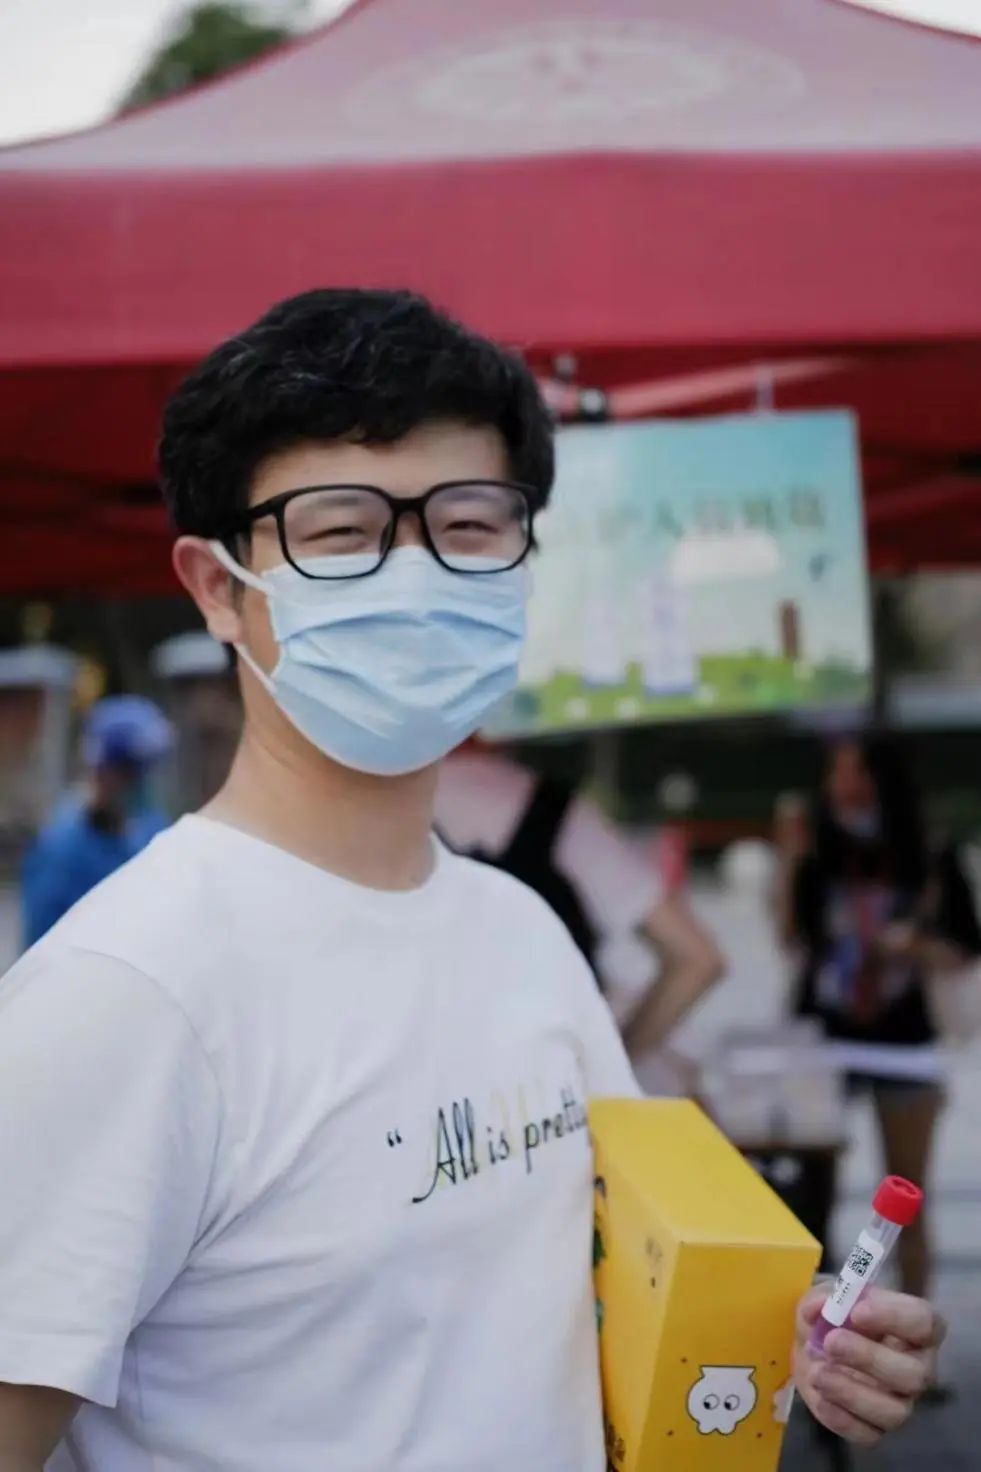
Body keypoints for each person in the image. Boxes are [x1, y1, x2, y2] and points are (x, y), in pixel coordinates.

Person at [0, 291, 943, 1471]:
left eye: (468, 521)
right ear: (217, 585)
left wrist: (787, 1339)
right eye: (341, 530)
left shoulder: (522, 930)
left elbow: (580, 1280)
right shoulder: (123, 994)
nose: (415, 575)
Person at [775, 734, 981, 1308]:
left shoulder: (928, 852)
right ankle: (821, 1314)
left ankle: (911, 1322)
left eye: (856, 772)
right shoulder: (818, 845)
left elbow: (965, 946)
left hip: (904, 1041)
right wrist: (789, 861)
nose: (842, 786)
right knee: (810, 1194)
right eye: (836, 772)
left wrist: (912, 947)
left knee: (905, 1198)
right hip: (826, 1038)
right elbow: (793, 940)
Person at [436, 744, 724, 1086]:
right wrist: (612, 1066)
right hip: (552, 1086)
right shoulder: (552, 810)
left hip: (423, 1088)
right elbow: (698, 959)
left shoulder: (385, 816)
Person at [20, 695, 173, 946]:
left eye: (145, 771)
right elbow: (41, 947)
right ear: (101, 770)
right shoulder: (61, 850)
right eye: (129, 771)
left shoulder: (151, 829)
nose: (139, 783)